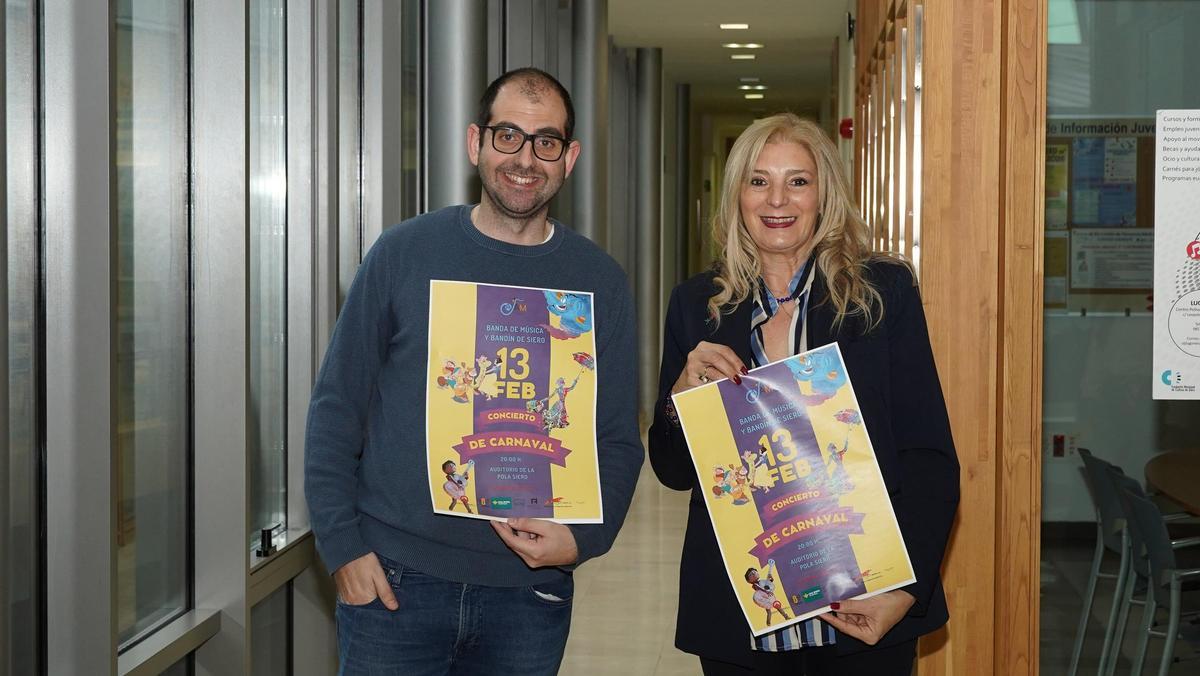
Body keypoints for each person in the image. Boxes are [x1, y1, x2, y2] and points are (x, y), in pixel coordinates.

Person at [305, 67, 643, 676]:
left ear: (569, 158)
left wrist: (584, 539)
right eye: (508, 135)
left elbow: (617, 438)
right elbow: (337, 407)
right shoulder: (403, 254)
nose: (525, 159)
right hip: (394, 584)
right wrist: (343, 548)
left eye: (545, 142)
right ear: (475, 143)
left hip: (528, 597)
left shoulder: (599, 282)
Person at [648, 113, 959, 675]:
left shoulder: (881, 295)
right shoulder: (696, 306)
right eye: (758, 180)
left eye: (798, 181)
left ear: (824, 195)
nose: (777, 200)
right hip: (743, 616)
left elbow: (928, 457)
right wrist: (680, 397)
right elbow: (673, 471)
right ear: (737, 195)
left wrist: (905, 591)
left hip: (866, 605)